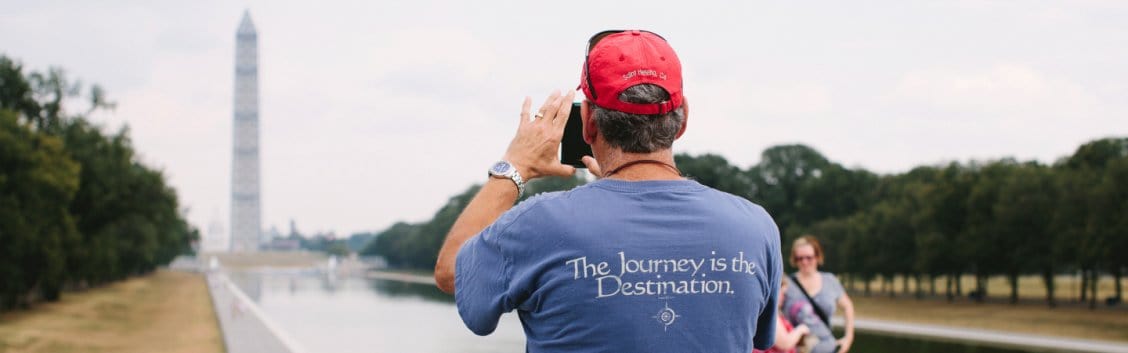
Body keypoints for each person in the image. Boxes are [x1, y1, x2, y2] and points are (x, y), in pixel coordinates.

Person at [434, 30, 784, 352]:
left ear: (588, 121)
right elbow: (755, 337)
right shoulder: (756, 228)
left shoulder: (539, 224)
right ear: (683, 119)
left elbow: (453, 272)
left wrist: (515, 166)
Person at [783, 236, 855, 353]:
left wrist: (849, 337)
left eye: (809, 257)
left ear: (817, 256)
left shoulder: (830, 281)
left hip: (828, 348)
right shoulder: (786, 284)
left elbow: (848, 306)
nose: (804, 262)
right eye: (799, 258)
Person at [754, 277, 812, 353]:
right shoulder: (769, 313)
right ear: (775, 291)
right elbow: (784, 343)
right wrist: (801, 329)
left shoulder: (770, 312)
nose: (784, 297)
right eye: (783, 293)